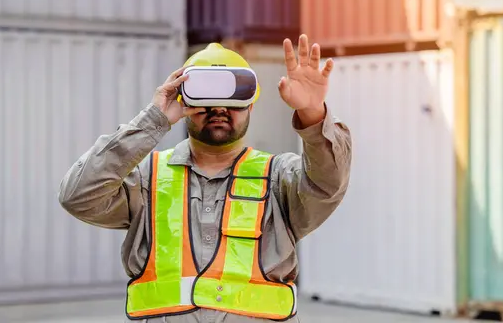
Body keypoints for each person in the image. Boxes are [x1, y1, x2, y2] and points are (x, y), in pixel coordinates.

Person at [59, 34, 352, 322]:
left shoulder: (280, 178)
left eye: (233, 98)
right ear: (183, 100)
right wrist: (153, 119)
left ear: (251, 104)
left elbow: (326, 185)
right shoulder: (147, 178)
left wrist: (313, 114)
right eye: (206, 97)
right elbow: (78, 196)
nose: (219, 109)